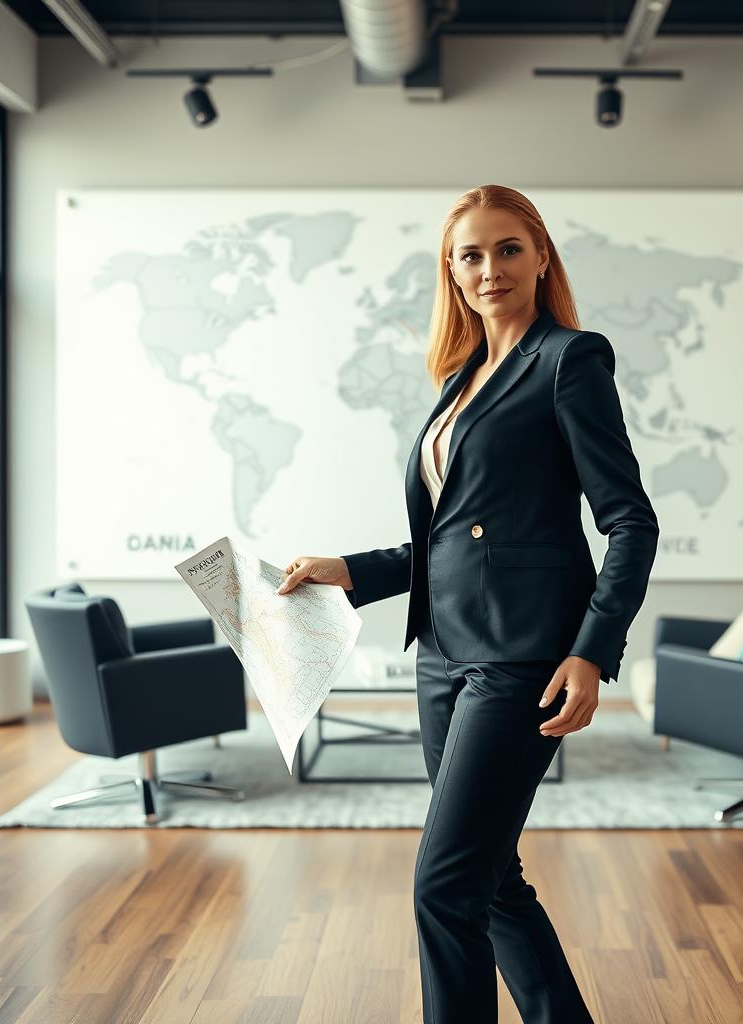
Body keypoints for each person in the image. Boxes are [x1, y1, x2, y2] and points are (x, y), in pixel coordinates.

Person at [277, 184, 659, 1023]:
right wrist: (349, 568)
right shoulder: (459, 380)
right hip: (443, 656)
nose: (490, 269)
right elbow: (458, 539)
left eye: (508, 249)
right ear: (450, 273)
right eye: (470, 255)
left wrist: (592, 651)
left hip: (521, 658)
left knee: (444, 885)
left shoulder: (570, 360)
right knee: (489, 876)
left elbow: (630, 523)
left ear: (541, 255)